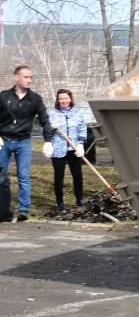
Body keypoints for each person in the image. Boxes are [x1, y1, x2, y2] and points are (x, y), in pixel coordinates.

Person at [0, 65, 55, 221]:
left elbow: (45, 121)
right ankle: (3, 211)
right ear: (17, 78)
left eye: (31, 77)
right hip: (3, 140)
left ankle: (23, 210)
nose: (29, 80)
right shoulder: (3, 97)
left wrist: (48, 141)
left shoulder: (35, 99)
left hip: (23, 141)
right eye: (26, 77)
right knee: (1, 176)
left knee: (23, 176)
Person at [49, 89, 86, 211]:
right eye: (61, 99)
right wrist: (51, 127)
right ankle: (59, 202)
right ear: (58, 100)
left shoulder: (77, 113)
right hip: (58, 149)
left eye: (66, 98)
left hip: (74, 149)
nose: (63, 100)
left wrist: (81, 143)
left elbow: (82, 128)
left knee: (77, 176)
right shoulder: (52, 113)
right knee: (59, 177)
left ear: (70, 99)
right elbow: (44, 130)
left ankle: (80, 200)